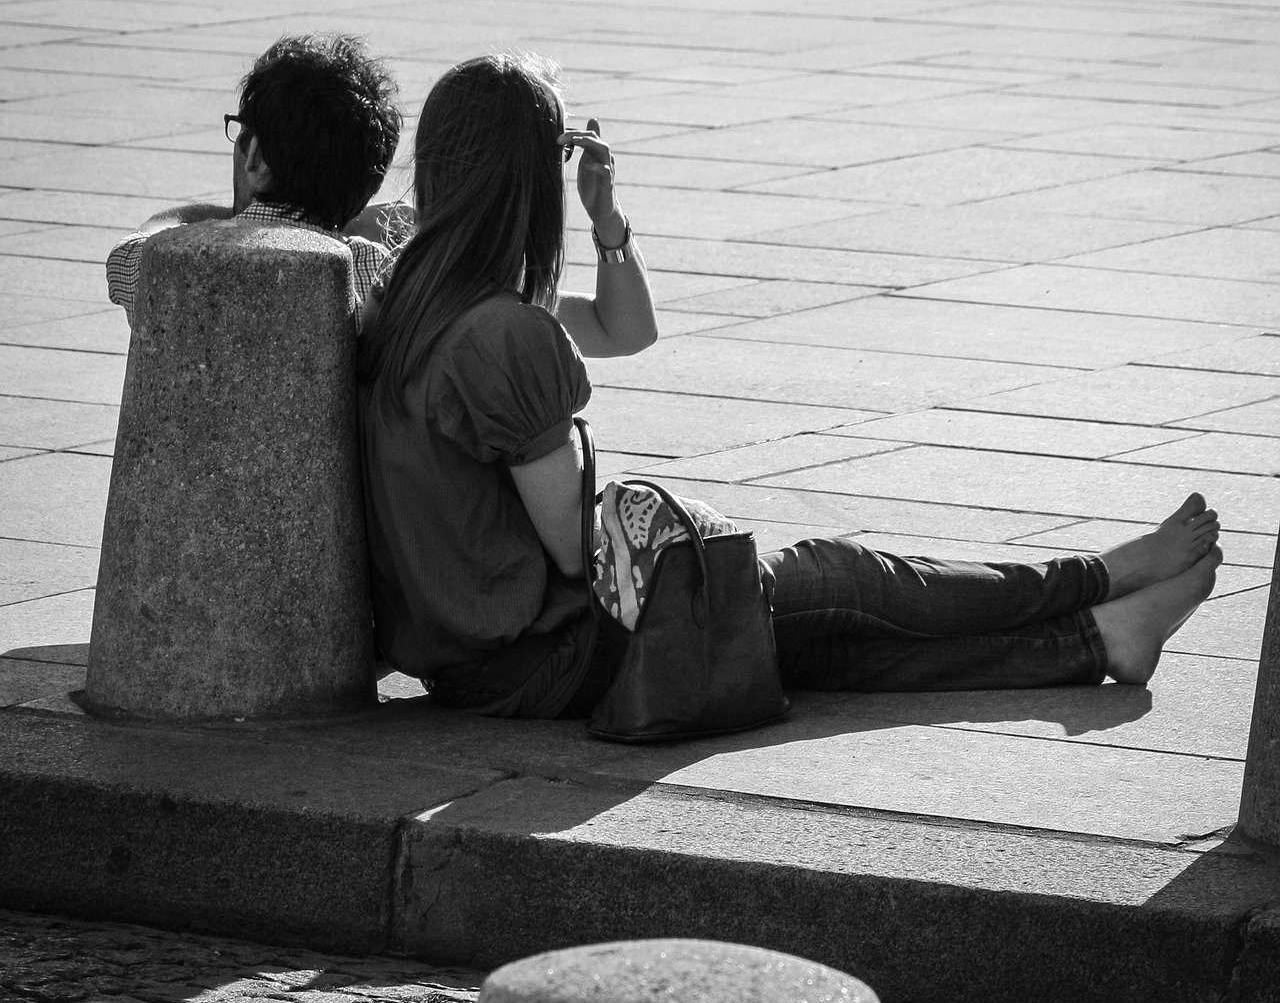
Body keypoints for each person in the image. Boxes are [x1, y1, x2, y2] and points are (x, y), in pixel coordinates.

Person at [357, 51, 1222, 722]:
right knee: (844, 577)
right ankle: (1095, 577)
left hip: (482, 668)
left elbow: (628, 330)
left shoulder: (420, 293)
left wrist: (608, 223)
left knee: (813, 651)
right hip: (559, 653)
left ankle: (1102, 636)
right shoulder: (503, 335)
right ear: (524, 179)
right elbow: (572, 548)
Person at [106, 33, 402, 329]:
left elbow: (128, 250)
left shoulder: (167, 263)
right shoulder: (371, 270)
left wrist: (225, 220)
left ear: (255, 156)